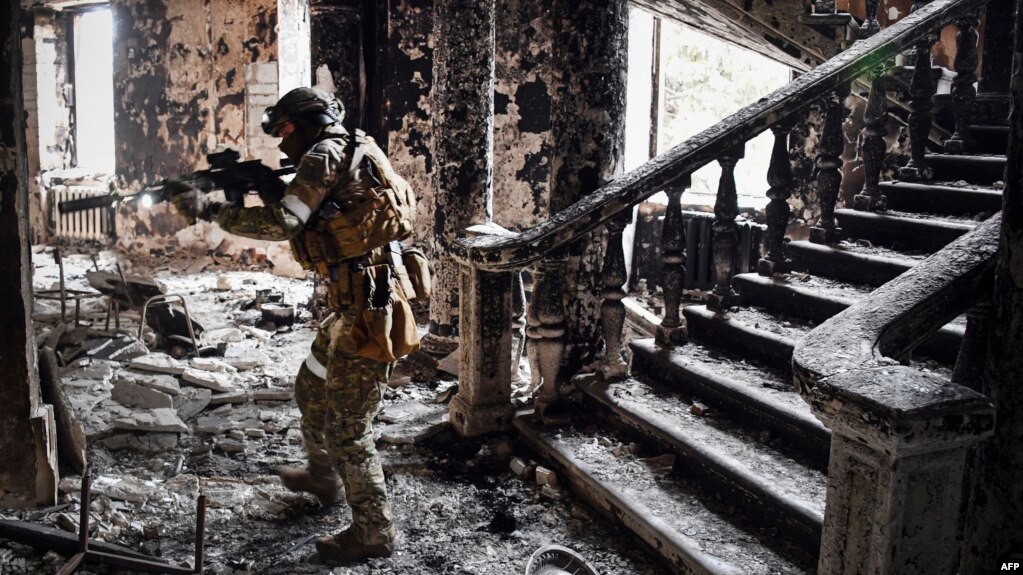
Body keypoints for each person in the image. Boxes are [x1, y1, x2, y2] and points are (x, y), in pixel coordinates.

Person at [171, 86, 417, 563]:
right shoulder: (351, 145)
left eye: (286, 131)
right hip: (354, 303)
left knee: (350, 427)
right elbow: (322, 213)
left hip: (370, 308)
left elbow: (284, 224)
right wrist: (264, 184)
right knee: (310, 387)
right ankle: (324, 477)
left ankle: (374, 531)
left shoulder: (323, 154)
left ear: (311, 122)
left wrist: (209, 210)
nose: (282, 144)